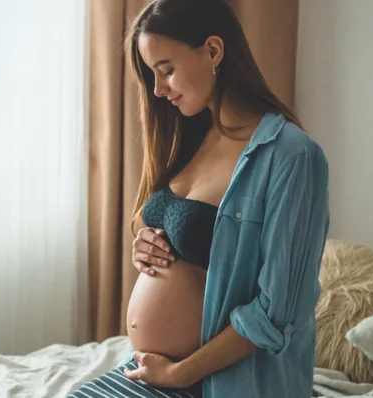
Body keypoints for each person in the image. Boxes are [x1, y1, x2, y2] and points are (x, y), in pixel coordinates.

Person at [68, 0, 329, 397]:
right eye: (152, 76)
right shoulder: (192, 134)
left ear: (212, 51)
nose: (158, 90)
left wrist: (182, 374)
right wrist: (147, 246)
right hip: (154, 373)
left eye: (166, 70)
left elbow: (276, 312)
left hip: (219, 383)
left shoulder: (291, 155)